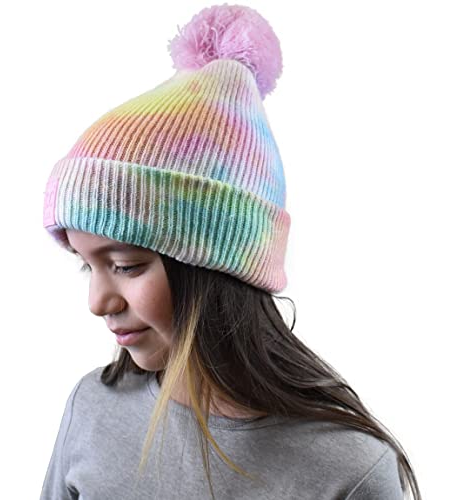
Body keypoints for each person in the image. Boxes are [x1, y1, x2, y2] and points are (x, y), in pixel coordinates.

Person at [40, 4, 422, 499]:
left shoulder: (350, 470)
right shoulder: (93, 408)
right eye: (86, 265)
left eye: (125, 265)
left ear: (217, 267)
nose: (98, 301)